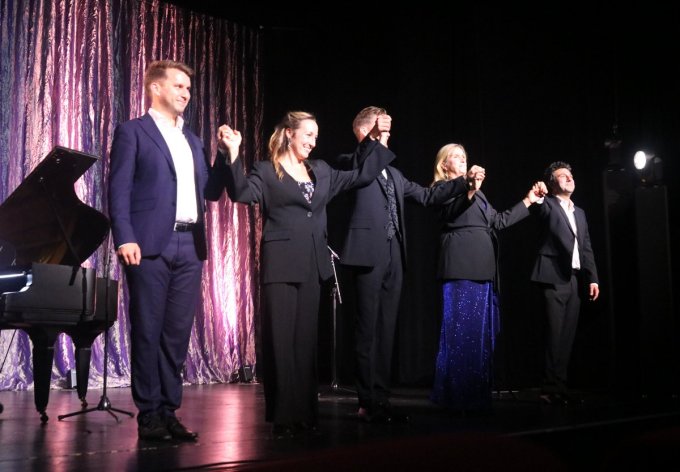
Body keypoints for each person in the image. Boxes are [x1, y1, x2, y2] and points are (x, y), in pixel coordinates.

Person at [215, 110, 395, 438]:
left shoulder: (321, 170)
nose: (313, 142)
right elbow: (241, 193)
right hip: (281, 263)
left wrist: (374, 140)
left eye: (316, 137)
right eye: (308, 134)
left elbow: (361, 175)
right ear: (289, 133)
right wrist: (234, 153)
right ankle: (284, 415)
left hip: (313, 264)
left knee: (304, 343)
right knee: (282, 341)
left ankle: (305, 412)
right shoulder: (266, 170)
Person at [332, 106, 482, 423]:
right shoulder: (351, 161)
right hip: (366, 254)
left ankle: (381, 397)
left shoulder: (395, 175)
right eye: (379, 131)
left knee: (387, 330)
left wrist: (464, 183)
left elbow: (427, 197)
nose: (387, 136)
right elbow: (361, 164)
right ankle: (366, 400)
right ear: (364, 132)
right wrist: (373, 139)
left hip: (394, 255)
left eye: (385, 132)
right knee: (367, 329)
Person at [108, 60, 225, 441]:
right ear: (155, 88)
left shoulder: (193, 139)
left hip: (190, 244)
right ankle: (149, 414)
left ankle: (169, 410)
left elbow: (210, 192)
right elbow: (119, 189)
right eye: (178, 86)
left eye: (188, 88)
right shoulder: (132, 132)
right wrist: (124, 236)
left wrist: (226, 156)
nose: (186, 93)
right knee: (148, 330)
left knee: (176, 333)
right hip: (148, 244)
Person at [430, 143, 544, 413]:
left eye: (464, 157)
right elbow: (450, 213)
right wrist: (469, 188)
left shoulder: (479, 194)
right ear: (444, 165)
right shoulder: (441, 188)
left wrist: (529, 200)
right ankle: (456, 396)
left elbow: (498, 221)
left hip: (483, 269)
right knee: (461, 335)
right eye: (456, 157)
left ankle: (474, 394)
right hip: (461, 268)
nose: (462, 160)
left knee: (479, 337)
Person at [530, 161, 599, 405]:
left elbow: (586, 246)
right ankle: (548, 386)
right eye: (562, 176)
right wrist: (539, 195)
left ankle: (560, 385)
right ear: (552, 183)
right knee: (553, 334)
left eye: (570, 175)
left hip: (574, 280)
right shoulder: (548, 205)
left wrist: (592, 278)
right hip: (552, 278)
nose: (569, 178)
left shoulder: (579, 212)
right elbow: (538, 207)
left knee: (567, 335)